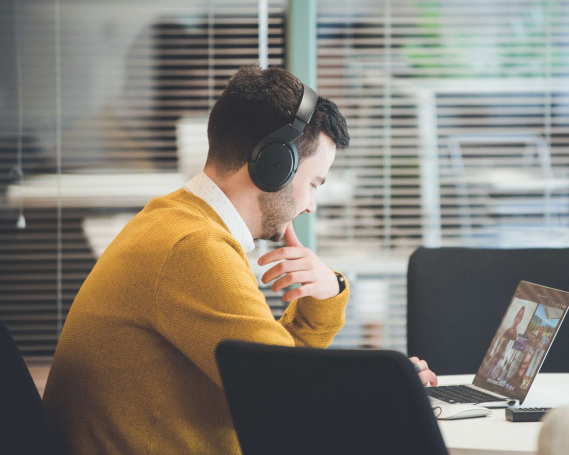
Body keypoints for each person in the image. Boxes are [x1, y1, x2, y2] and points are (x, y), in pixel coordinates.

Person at [42, 66, 436, 455]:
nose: (311, 206)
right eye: (314, 185)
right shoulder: (192, 248)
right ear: (275, 165)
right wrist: (393, 390)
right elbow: (291, 403)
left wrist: (324, 298)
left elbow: (275, 378)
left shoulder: (173, 220)